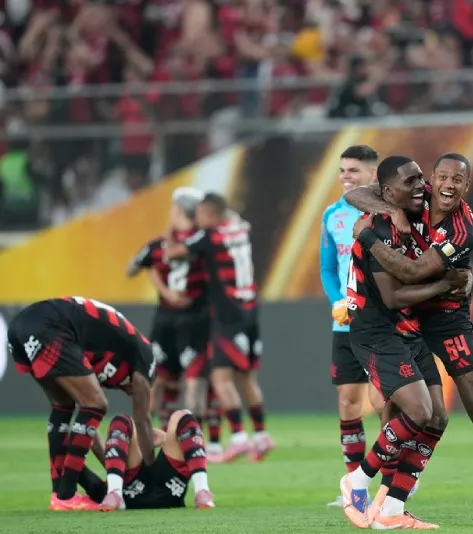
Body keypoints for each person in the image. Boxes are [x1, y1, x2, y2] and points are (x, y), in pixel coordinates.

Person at [345, 153, 473, 524]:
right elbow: (357, 195)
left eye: (457, 181)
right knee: (403, 404)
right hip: (408, 316)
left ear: (466, 185)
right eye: (442, 178)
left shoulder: (463, 230)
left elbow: (415, 272)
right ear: (433, 178)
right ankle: (387, 497)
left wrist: (368, 235)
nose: (447, 186)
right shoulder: (418, 193)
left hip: (446, 315)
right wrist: (394, 212)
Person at [340, 156, 469, 530]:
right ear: (386, 193)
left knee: (437, 417)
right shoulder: (377, 228)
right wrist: (446, 285)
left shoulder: (412, 212)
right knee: (417, 412)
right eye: (410, 182)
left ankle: (393, 510)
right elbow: (395, 297)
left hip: (405, 329)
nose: (420, 188)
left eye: (419, 180)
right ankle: (357, 480)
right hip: (376, 331)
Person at [7, 296, 155, 511]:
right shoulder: (146, 356)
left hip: (22, 326)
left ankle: (60, 495)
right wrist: (149, 475)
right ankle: (66, 494)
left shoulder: (103, 354)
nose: (131, 392)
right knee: (96, 404)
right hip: (50, 325)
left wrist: (115, 472)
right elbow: (142, 420)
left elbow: (87, 432)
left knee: (63, 405)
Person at [165, 193, 273, 462]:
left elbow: (173, 253)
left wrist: (172, 225)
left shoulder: (209, 237)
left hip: (227, 314)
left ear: (211, 216)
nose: (197, 221)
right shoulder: (240, 226)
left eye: (200, 215)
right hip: (249, 311)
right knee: (246, 377)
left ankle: (238, 439)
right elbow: (232, 217)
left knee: (220, 378)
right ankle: (261, 436)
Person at [126, 187, 224, 462]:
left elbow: (133, 268)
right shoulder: (204, 241)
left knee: (156, 382)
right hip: (195, 320)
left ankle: (149, 440)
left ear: (176, 209)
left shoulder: (160, 245)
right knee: (194, 383)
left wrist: (164, 290)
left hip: (170, 320)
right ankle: (197, 444)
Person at [319, 145, 387, 508]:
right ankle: (352, 487)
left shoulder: (386, 215)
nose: (346, 176)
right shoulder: (331, 215)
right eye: (342, 170)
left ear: (373, 175)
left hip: (380, 323)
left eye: (354, 170)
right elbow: (328, 267)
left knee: (381, 402)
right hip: (347, 324)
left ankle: (390, 481)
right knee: (348, 403)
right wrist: (337, 300)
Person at [98, 409, 215, 511]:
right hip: (171, 492)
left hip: (132, 493)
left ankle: (114, 493)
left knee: (183, 416)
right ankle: (202, 491)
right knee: (184, 416)